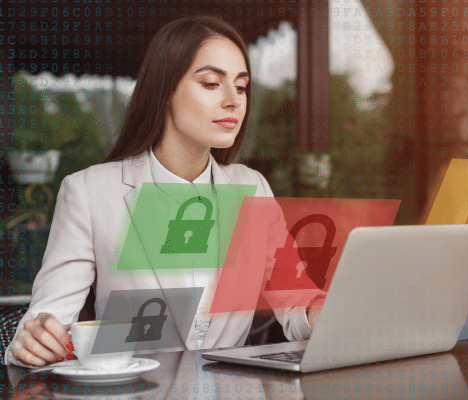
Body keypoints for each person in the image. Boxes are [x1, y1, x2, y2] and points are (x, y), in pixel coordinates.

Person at [6, 15, 325, 367]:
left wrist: (329, 308)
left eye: (241, 86)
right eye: (210, 83)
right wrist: (35, 342)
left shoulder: (252, 189)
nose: (233, 99)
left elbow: (296, 309)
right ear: (165, 91)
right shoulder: (89, 193)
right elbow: (47, 322)